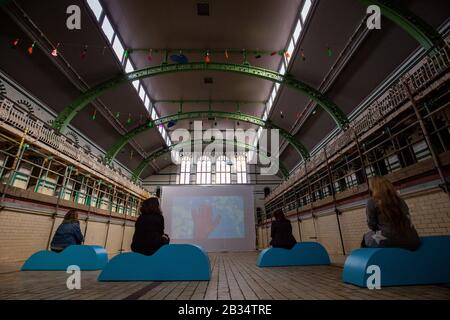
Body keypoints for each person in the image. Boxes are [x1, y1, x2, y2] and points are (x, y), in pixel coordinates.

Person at [361, 176, 420, 250]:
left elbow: (372, 225)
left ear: (374, 188)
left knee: (365, 238)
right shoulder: (400, 200)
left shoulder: (372, 201)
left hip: (391, 239)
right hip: (412, 238)